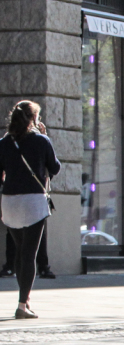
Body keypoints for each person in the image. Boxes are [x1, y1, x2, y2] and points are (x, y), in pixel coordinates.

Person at [0, 100, 60, 319]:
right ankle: (22, 305)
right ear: (34, 119)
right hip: (33, 202)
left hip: (9, 202)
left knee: (19, 250)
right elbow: (54, 168)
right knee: (29, 254)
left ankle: (24, 300)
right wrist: (45, 138)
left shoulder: (4, 143)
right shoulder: (41, 140)